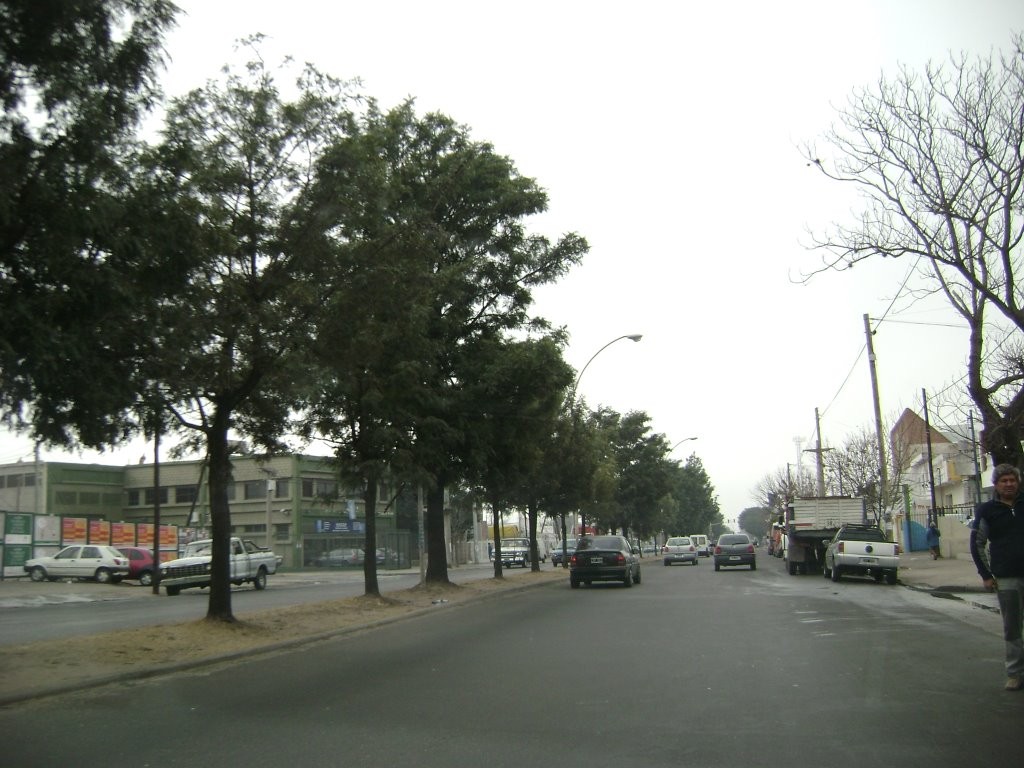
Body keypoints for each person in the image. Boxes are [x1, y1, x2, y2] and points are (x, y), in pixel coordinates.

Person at [969, 463, 1024, 692]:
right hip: (1006, 576)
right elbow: (977, 543)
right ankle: (1015, 673)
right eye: (1004, 481)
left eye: (1012, 480)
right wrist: (986, 574)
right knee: (1012, 628)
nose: (1009, 484)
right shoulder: (987, 510)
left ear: (1018, 482)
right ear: (996, 485)